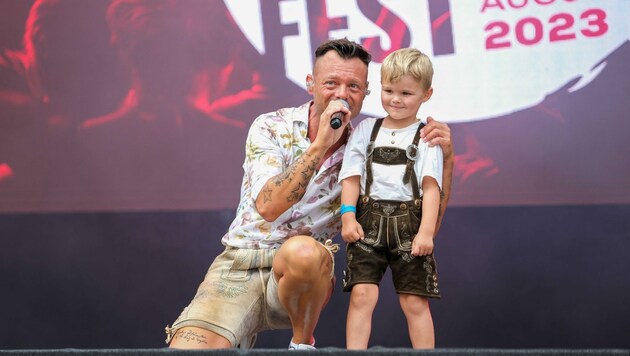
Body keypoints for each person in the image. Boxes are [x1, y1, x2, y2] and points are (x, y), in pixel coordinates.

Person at [165, 38, 454, 350]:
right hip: (240, 265)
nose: (342, 94)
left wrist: (446, 160)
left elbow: (419, 229)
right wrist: (321, 145)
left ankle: (302, 344)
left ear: (366, 93)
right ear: (310, 83)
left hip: (303, 275)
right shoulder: (272, 126)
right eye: (331, 83)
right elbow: (269, 207)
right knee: (188, 351)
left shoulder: (369, 147)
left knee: (303, 251)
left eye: (353, 86)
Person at [339, 48, 443, 349]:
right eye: (388, 91)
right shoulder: (365, 131)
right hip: (367, 224)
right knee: (362, 295)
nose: (395, 99)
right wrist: (348, 216)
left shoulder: (426, 137)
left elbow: (431, 188)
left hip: (409, 228)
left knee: (414, 300)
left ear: (426, 94)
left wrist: (426, 232)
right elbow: (352, 179)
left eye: (406, 93)